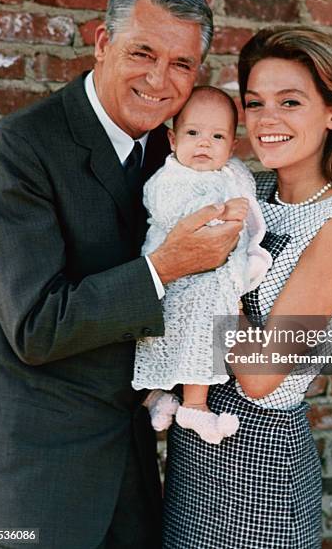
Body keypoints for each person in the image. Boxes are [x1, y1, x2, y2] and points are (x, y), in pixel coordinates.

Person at [0, 0, 246, 549]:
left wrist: (285, 349)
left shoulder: (186, 157)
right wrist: (170, 267)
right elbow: (35, 326)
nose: (159, 79)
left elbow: (287, 346)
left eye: (181, 64)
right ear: (101, 43)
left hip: (183, 464)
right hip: (37, 473)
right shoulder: (22, 148)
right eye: (142, 52)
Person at [162, 26, 332, 548]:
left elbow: (263, 376)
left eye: (290, 102)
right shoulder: (252, 188)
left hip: (261, 463)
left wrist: (210, 268)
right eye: (255, 103)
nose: (266, 120)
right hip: (197, 446)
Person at [133, 86, 272, 444]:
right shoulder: (170, 180)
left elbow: (246, 195)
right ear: (172, 138)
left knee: (204, 331)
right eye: (193, 133)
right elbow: (183, 219)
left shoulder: (233, 172)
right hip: (180, 277)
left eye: (217, 136)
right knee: (190, 335)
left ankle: (162, 399)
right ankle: (192, 404)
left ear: (232, 146)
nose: (204, 144)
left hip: (216, 276)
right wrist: (226, 213)